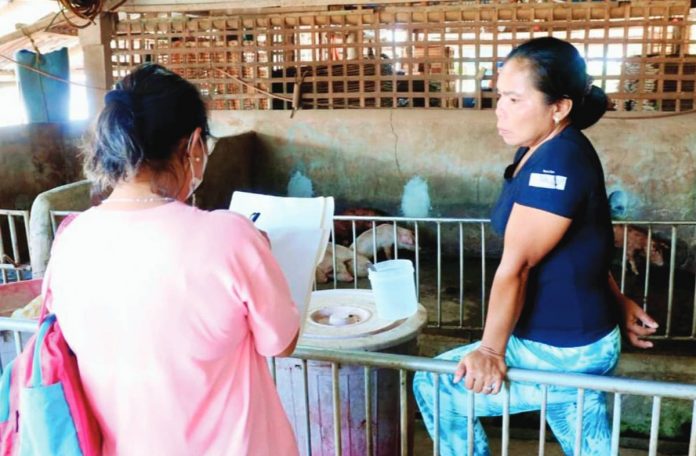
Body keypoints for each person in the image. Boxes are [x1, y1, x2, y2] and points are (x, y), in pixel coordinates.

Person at [414, 37, 659, 456]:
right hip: (581, 336)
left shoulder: (556, 163)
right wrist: (616, 299)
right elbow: (586, 243)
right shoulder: (541, 149)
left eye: (514, 99)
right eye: (499, 96)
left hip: (563, 346)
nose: (499, 109)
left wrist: (491, 351)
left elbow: (518, 267)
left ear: (559, 107)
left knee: (436, 385)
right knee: (580, 428)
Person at [42, 64, 301, 455]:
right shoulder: (229, 237)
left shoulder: (69, 240)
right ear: (194, 144)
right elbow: (281, 342)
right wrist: (259, 255)